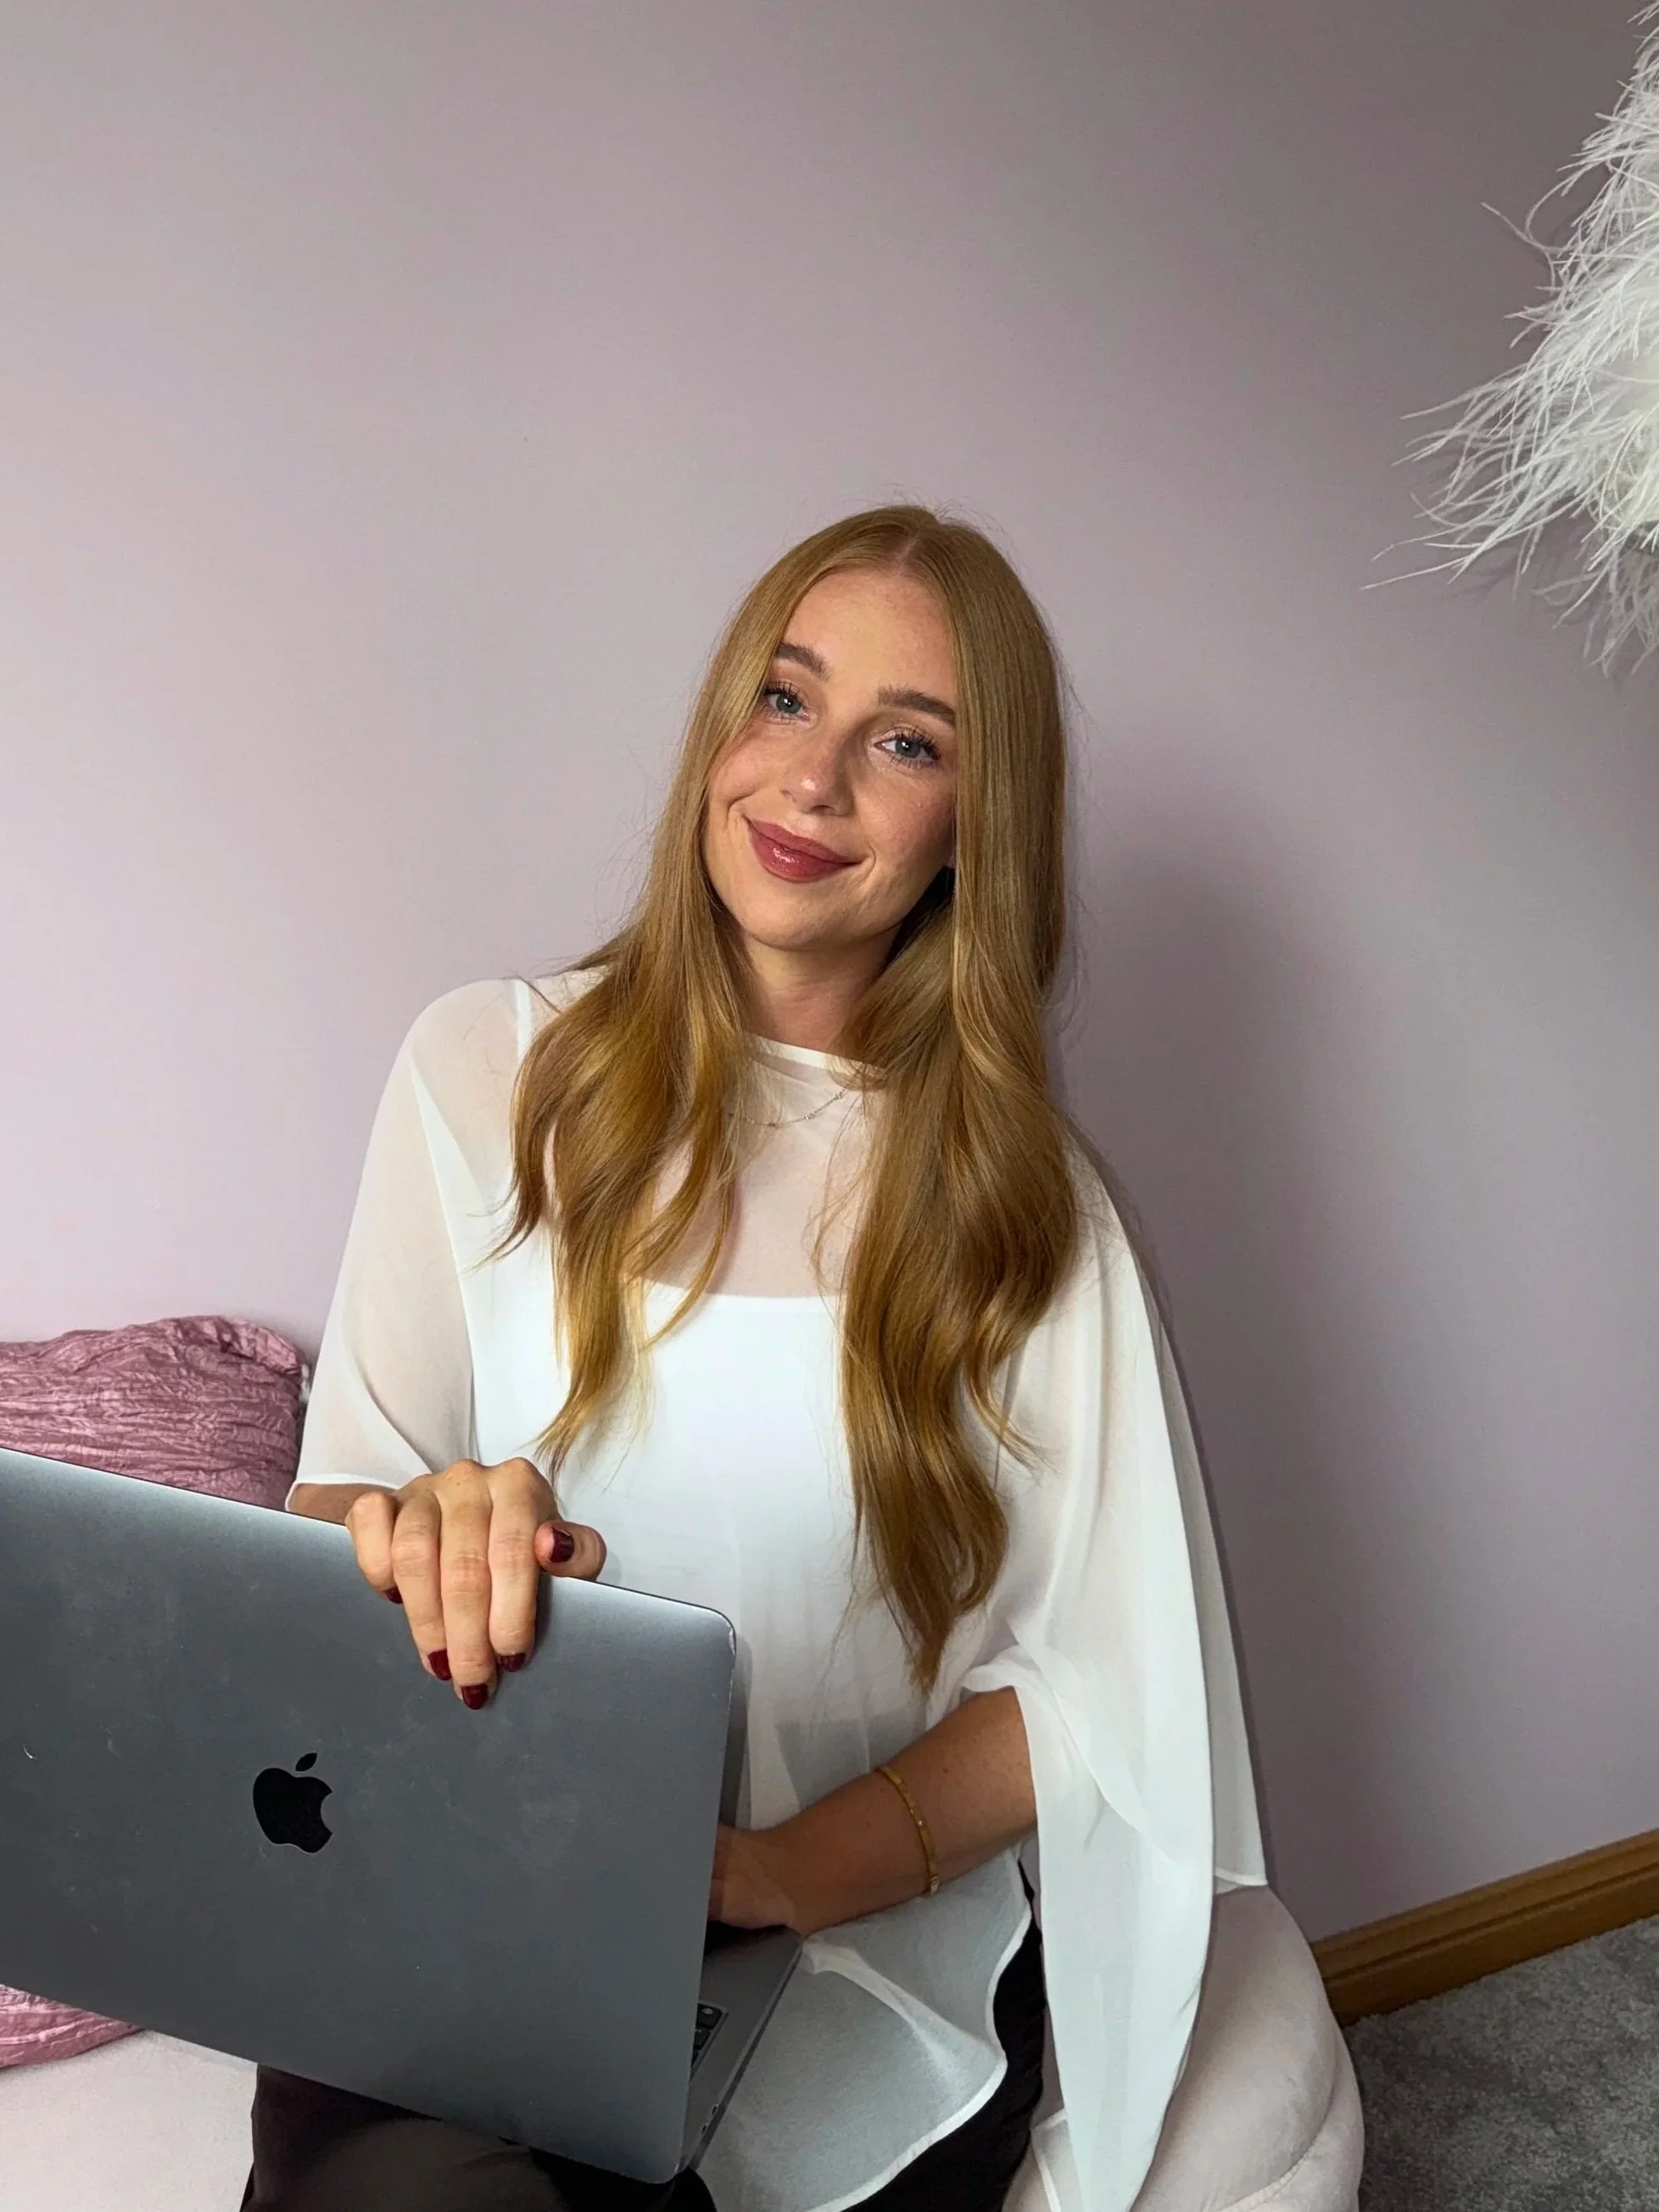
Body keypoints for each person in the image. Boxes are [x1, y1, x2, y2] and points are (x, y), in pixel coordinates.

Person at [242, 505, 1266, 2212]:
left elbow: (1099, 1688)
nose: (816, 781)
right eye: (785, 700)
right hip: (483, 1886)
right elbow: (338, 1488)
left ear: (970, 829)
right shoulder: (481, 1071)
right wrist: (420, 1532)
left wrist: (785, 1873)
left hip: (855, 1945)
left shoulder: (1035, 1214)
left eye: (906, 741)